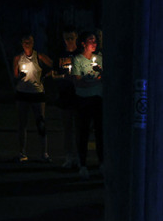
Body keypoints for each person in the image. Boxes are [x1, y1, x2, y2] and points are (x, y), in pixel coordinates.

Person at [12, 34, 52, 162]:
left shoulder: (38, 56)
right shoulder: (18, 58)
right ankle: (22, 152)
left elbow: (52, 64)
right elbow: (15, 75)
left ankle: (44, 153)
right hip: (22, 93)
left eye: (28, 41)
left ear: (33, 42)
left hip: (37, 93)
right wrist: (19, 76)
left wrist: (47, 75)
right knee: (22, 123)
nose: (26, 44)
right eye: (24, 42)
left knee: (40, 122)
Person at [73, 32, 103, 179]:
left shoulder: (101, 59)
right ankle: (83, 164)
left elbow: (105, 76)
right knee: (83, 131)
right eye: (91, 40)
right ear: (83, 43)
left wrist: (100, 73)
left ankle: (102, 162)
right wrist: (96, 80)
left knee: (100, 132)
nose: (94, 43)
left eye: (95, 40)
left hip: (98, 98)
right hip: (83, 99)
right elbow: (78, 81)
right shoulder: (78, 59)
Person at [54, 29, 80, 169]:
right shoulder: (61, 56)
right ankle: (69, 156)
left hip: (78, 96)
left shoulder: (80, 54)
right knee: (67, 128)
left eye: (71, 37)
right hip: (64, 95)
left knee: (78, 128)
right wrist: (62, 78)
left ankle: (78, 156)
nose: (69, 40)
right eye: (66, 38)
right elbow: (55, 74)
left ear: (76, 37)